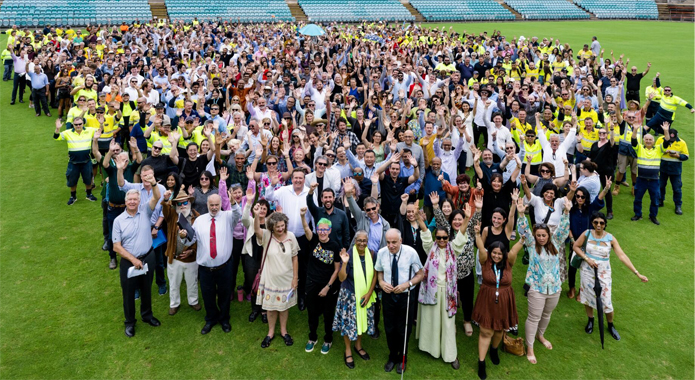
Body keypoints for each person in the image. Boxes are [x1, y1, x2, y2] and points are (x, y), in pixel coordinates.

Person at [572, 212, 649, 342]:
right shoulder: (586, 234)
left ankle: (610, 325)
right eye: (596, 222)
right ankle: (591, 320)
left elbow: (622, 256)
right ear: (592, 223)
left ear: (605, 224)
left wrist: (637, 273)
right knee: (588, 296)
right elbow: (575, 246)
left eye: (601, 223)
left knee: (606, 300)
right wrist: (587, 259)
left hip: (603, 272)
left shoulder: (610, 238)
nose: (598, 225)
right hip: (587, 270)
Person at [516, 197, 571, 364]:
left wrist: (567, 212)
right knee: (534, 317)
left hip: (554, 288)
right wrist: (520, 214)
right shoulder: (531, 244)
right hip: (536, 289)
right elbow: (524, 230)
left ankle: (540, 335)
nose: (541, 238)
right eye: (538, 235)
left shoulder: (556, 241)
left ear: (548, 235)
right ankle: (530, 347)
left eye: (543, 235)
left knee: (547, 314)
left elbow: (563, 228)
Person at [417, 204, 472, 370]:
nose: (441, 241)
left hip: (448, 293)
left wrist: (467, 218)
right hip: (431, 291)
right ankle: (429, 348)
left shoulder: (454, 249)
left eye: (444, 238)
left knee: (448, 324)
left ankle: (450, 354)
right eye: (439, 238)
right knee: (431, 320)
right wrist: (420, 219)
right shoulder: (430, 247)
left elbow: (462, 235)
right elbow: (425, 234)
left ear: (449, 238)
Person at [473, 221, 524, 380]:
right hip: (487, 299)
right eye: (493, 252)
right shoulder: (485, 260)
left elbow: (515, 248)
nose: (496, 255)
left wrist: (522, 240)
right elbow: (481, 248)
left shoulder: (509, 262)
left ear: (504, 255)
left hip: (504, 300)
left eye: (499, 253)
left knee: (500, 329)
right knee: (486, 330)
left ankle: (494, 349)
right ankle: (481, 362)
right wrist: (476, 234)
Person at [111, 177, 161, 337]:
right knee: (129, 293)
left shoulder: (146, 211)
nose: (132, 202)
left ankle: (147, 315)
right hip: (129, 262)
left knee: (147, 289)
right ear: (125, 202)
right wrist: (134, 260)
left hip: (148, 257)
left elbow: (157, 197)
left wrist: (153, 183)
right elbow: (116, 246)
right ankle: (130, 322)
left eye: (135, 199)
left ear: (139, 201)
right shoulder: (118, 221)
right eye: (129, 199)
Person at [375, 229, 425, 374]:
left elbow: (420, 274)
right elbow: (379, 271)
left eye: (394, 242)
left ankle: (403, 358)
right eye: (388, 242)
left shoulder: (411, 252)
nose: (391, 246)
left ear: (401, 240)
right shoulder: (382, 253)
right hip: (388, 295)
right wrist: (381, 281)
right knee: (389, 327)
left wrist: (407, 284)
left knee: (404, 328)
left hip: (406, 296)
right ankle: (392, 356)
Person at [192, 194, 242, 335]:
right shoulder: (199, 220)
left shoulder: (228, 216)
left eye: (216, 205)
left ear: (221, 204)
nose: (214, 208)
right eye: (211, 205)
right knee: (207, 294)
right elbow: (191, 240)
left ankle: (224, 319)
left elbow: (239, 213)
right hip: (205, 268)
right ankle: (211, 319)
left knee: (225, 294)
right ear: (207, 204)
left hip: (224, 266)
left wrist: (233, 203)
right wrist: (184, 237)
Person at [264, 169, 311, 310]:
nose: (298, 180)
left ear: (304, 179)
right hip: (284, 236)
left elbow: (313, 214)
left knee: (302, 268)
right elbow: (269, 196)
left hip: (303, 237)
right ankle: (283, 293)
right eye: (295, 178)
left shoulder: (309, 193)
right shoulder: (284, 190)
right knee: (284, 266)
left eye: (300, 178)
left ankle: (301, 295)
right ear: (292, 179)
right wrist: (272, 185)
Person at [254, 209, 300, 348]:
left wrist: (295, 278)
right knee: (271, 308)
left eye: (282, 225)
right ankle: (270, 332)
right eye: (277, 226)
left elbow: (295, 258)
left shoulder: (291, 236)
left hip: (287, 279)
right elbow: (256, 230)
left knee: (283, 307)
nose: (280, 229)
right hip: (270, 279)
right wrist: (256, 215)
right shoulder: (267, 235)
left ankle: (284, 331)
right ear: (271, 227)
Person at [333, 230, 377, 369]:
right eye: (359, 240)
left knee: (361, 321)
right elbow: (341, 278)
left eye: (364, 241)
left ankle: (358, 345)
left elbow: (375, 274)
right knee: (349, 324)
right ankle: (348, 350)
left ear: (367, 241)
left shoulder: (371, 254)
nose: (362, 243)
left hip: (365, 295)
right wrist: (344, 263)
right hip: (350, 296)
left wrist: (369, 293)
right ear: (355, 241)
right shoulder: (349, 255)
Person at [300, 209, 341, 355]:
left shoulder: (335, 246)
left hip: (328, 285)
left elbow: (337, 270)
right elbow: (306, 228)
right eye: (320, 229)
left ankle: (328, 339)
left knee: (328, 314)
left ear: (330, 230)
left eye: (325, 229)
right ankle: (312, 338)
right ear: (317, 230)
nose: (322, 232)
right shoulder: (314, 240)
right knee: (312, 312)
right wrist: (303, 216)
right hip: (311, 282)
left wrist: (327, 287)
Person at [160, 188, 203, 315]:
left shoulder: (197, 216)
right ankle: (174, 304)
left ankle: (193, 301)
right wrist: (166, 199)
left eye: (185, 203)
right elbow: (165, 210)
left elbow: (200, 238)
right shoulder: (172, 215)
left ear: (189, 202)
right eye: (179, 203)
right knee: (173, 283)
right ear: (175, 205)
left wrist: (192, 251)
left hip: (191, 258)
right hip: (174, 257)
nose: (182, 206)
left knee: (192, 282)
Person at [631, 122, 671, 225]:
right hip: (641, 179)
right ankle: (638, 214)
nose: (648, 141)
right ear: (643, 141)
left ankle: (653, 216)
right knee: (638, 198)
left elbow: (667, 141)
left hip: (654, 180)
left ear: (653, 141)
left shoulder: (659, 149)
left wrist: (666, 130)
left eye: (650, 140)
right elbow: (633, 140)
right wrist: (635, 130)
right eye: (646, 139)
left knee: (655, 199)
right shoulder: (639, 148)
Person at [54, 117, 99, 205]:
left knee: (88, 178)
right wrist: (58, 128)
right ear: (73, 125)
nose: (78, 126)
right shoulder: (68, 132)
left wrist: (101, 124)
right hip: (73, 162)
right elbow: (56, 137)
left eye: (80, 124)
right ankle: (73, 197)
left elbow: (101, 131)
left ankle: (89, 194)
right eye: (76, 124)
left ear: (83, 124)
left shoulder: (90, 130)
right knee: (72, 180)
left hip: (86, 161)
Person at [657, 128, 688, 215]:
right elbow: (655, 151)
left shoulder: (682, 142)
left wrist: (677, 156)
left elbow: (686, 156)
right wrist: (663, 151)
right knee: (661, 186)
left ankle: (678, 205)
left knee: (677, 188)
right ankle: (660, 200)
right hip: (663, 168)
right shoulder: (660, 139)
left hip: (675, 170)